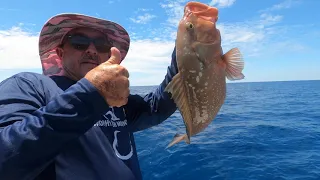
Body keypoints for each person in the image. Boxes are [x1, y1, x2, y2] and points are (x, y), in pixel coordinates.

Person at [0, 13, 178, 180]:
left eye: (101, 45)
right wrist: (90, 95)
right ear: (60, 53)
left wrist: (186, 53)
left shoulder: (116, 98)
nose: (92, 50)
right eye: (79, 42)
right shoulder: (27, 84)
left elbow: (157, 107)